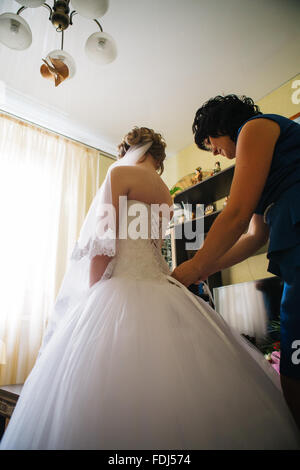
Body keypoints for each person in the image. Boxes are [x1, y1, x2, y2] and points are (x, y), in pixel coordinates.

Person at [1, 127, 299, 450]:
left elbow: (103, 246)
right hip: (160, 287)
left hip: (121, 287)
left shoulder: (118, 175)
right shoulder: (166, 194)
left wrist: (91, 298)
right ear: (156, 157)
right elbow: (155, 250)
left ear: (129, 151)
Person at [171, 94, 300, 431]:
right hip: (293, 255)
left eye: (210, 142)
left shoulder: (255, 128)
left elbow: (237, 215)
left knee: (293, 367)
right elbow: (254, 236)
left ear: (222, 126)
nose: (214, 151)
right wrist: (209, 268)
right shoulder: (261, 160)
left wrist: (193, 267)